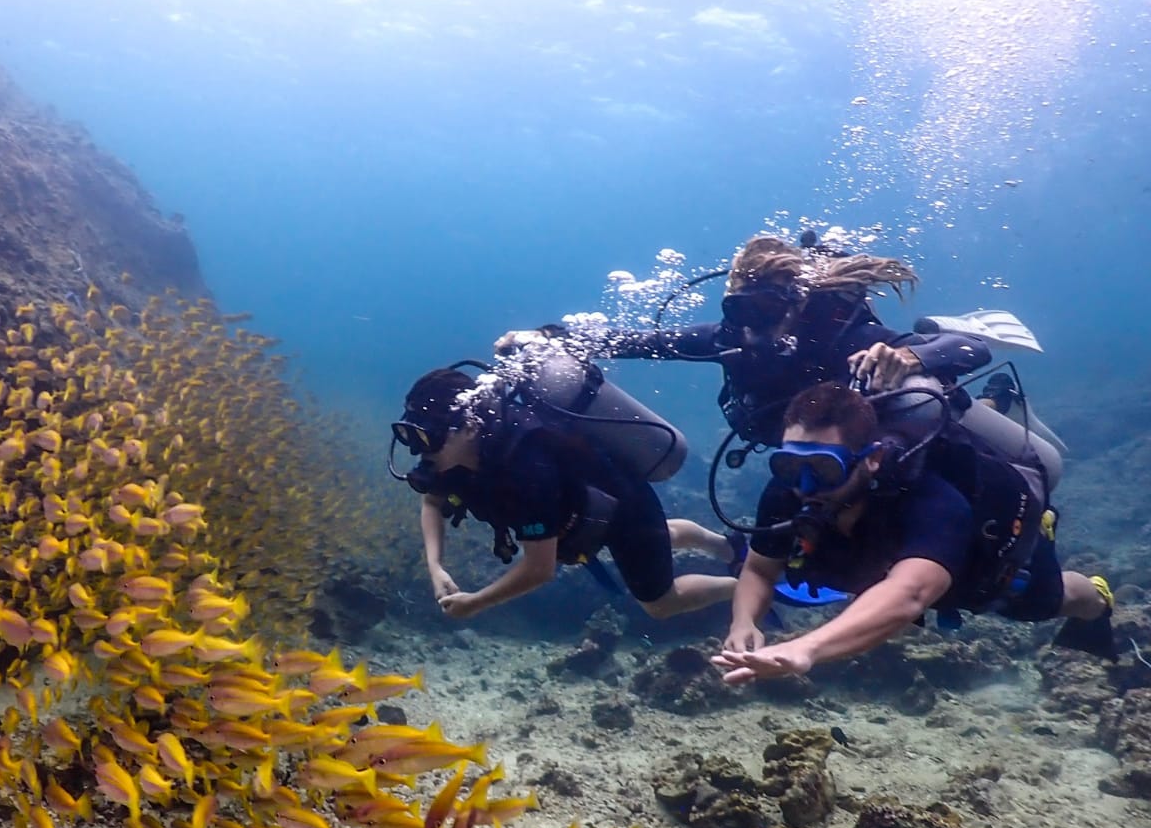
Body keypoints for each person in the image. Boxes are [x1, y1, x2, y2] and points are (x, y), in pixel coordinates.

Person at [711, 382, 1115, 687]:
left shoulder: (932, 501)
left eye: (824, 469)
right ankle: (993, 401)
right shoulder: (787, 493)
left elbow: (911, 594)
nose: (804, 485)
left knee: (1050, 601)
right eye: (788, 466)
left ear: (871, 460)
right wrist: (743, 622)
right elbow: (761, 569)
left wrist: (806, 648)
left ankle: (1094, 592)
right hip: (876, 571)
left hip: (981, 571)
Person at [497, 234, 992, 446]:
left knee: (937, 404)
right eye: (740, 310)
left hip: (873, 437)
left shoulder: (843, 337)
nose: (754, 327)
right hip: (807, 452)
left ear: (795, 306)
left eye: (768, 311)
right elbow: (637, 341)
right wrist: (547, 337)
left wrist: (908, 352)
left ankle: (996, 402)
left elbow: (973, 349)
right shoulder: (726, 339)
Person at [395, 367, 739, 621]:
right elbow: (432, 500)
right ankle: (728, 548)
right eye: (412, 436)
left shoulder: (525, 471)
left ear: (469, 428)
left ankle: (744, 586)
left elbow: (538, 569)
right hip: (582, 512)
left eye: (429, 437)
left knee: (659, 603)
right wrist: (435, 566)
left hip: (624, 507)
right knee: (661, 536)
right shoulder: (449, 457)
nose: (418, 450)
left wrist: (476, 602)